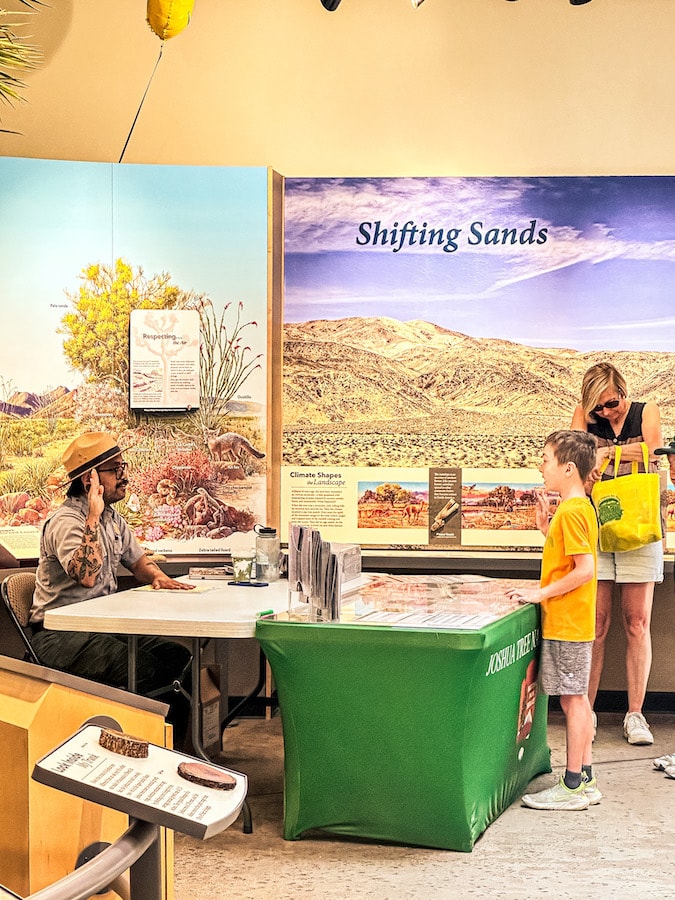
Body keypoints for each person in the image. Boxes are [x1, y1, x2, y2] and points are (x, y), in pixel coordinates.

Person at [29, 432, 195, 746]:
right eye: (115, 470)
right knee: (145, 671)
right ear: (89, 479)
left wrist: (157, 577)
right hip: (59, 635)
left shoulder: (113, 519)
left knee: (179, 658)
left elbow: (138, 562)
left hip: (99, 628)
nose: (124, 476)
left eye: (123, 467)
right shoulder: (67, 521)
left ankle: (174, 751)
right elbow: (86, 575)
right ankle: (143, 750)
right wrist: (92, 514)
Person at [571, 362, 663, 746]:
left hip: (641, 528)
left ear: (624, 393)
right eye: (598, 410)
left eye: (611, 404)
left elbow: (653, 462)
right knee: (596, 625)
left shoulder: (647, 411)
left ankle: (636, 715)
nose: (605, 413)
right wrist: (626, 455)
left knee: (637, 623)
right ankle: (585, 715)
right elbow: (574, 463)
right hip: (597, 528)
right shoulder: (584, 413)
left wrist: (601, 456)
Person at [507, 430, 599, 810]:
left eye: (546, 459)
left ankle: (573, 785)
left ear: (569, 467)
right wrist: (547, 527)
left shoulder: (575, 511)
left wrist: (540, 594)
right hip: (571, 622)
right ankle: (586, 780)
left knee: (574, 702)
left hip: (569, 624)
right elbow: (566, 556)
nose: (541, 466)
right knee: (576, 701)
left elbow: (585, 570)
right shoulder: (573, 509)